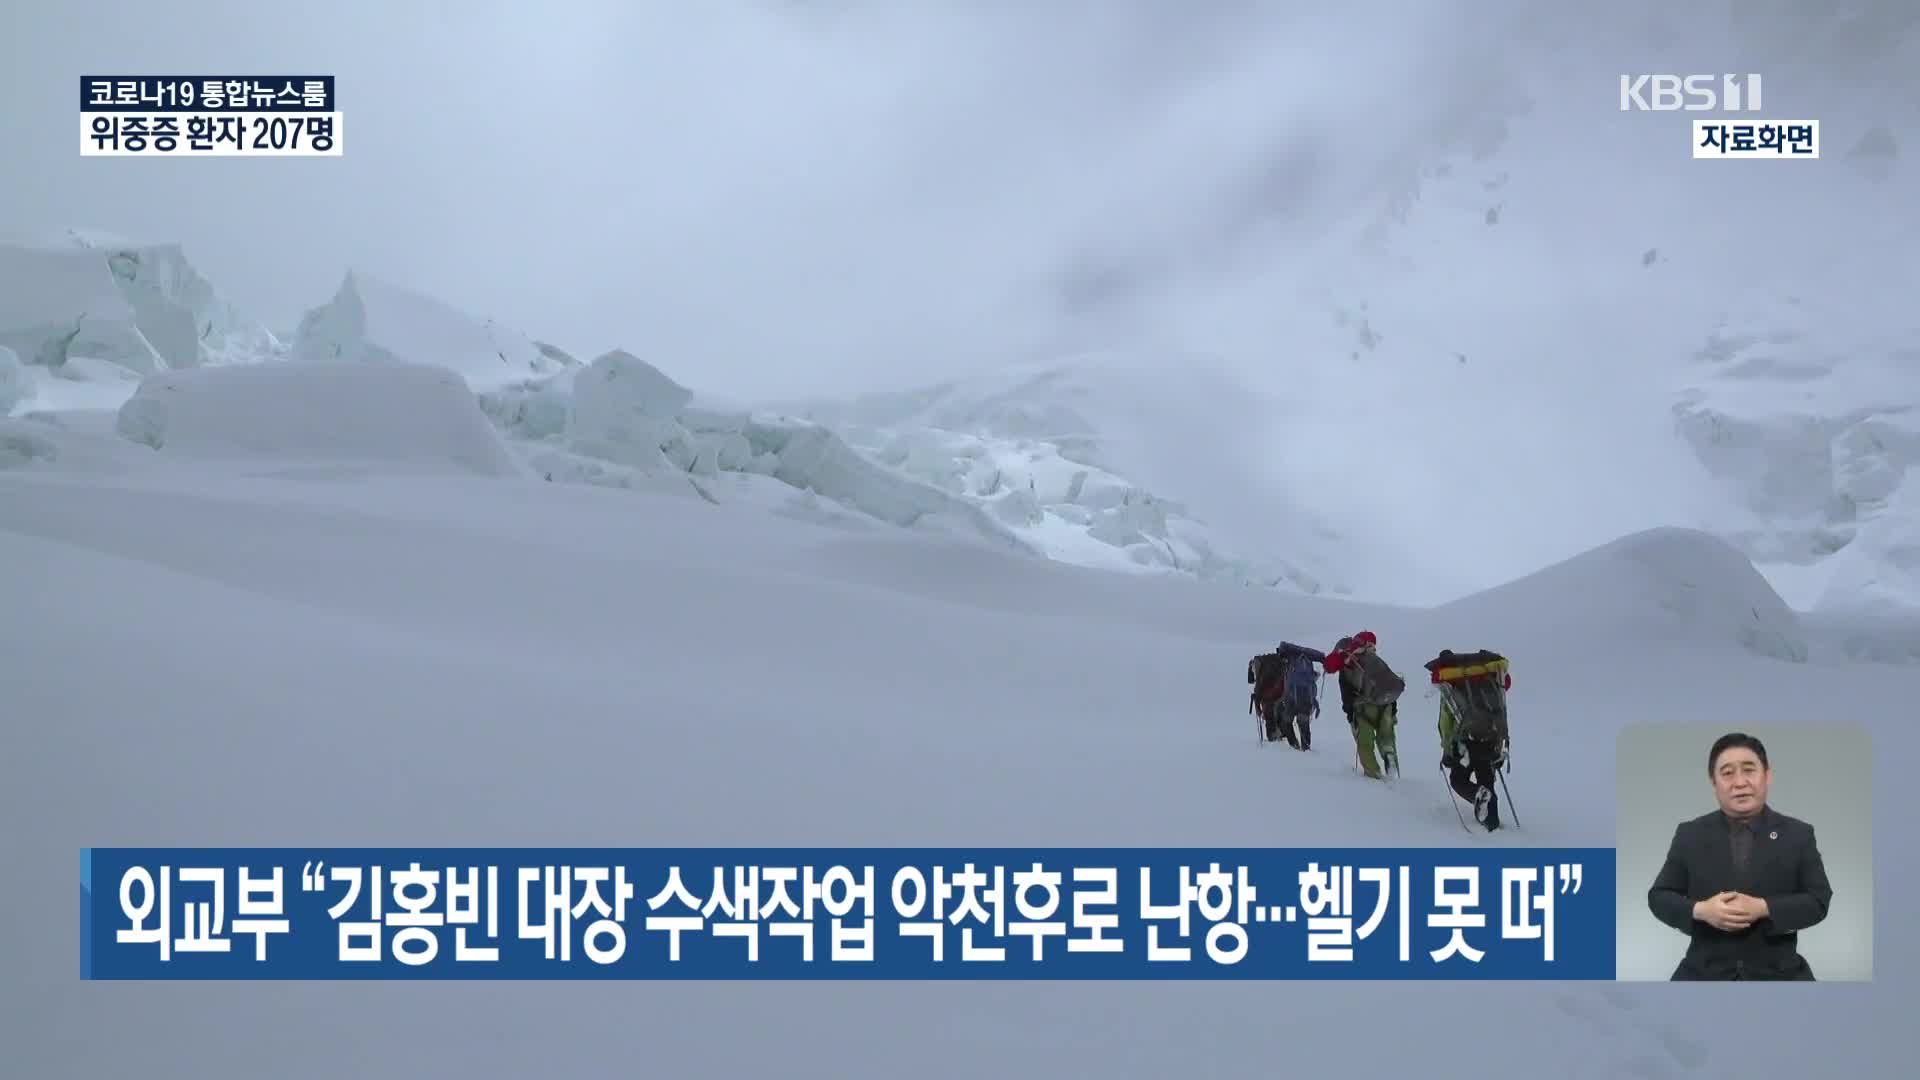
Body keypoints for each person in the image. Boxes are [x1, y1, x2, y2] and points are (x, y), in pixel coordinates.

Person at [1645, 732, 1833, 980]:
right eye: (1727, 773)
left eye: (1749, 770)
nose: (1740, 782)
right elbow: (1658, 897)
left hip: (1779, 973)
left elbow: (1819, 900)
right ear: (1714, 784)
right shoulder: (1690, 834)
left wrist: (1764, 908)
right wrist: (1701, 910)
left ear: (1767, 775)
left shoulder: (1798, 834)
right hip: (1704, 972)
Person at [1427, 649, 1512, 831]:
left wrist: (1448, 751)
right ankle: (1492, 824)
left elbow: (1446, 725)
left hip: (1465, 744)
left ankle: (1476, 795)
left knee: (1458, 780)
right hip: (1490, 738)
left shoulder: (1453, 692)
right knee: (1487, 781)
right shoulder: (1487, 686)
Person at [1331, 630, 1402, 779]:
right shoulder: (1376, 660)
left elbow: (1347, 694)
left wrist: (1350, 714)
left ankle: (1373, 774)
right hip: (1386, 704)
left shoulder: (1349, 666)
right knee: (1387, 737)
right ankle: (1390, 759)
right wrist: (1392, 708)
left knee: (1365, 743)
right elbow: (1389, 682)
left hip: (1364, 707)